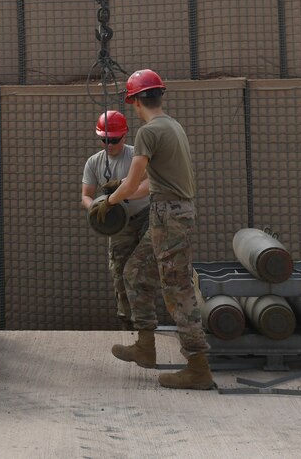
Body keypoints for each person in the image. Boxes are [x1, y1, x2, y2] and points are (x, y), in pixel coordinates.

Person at [94, 69, 214, 390]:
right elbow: (149, 185)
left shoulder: (147, 132)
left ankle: (198, 367)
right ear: (159, 95)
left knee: (177, 289)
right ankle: (146, 347)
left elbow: (135, 182)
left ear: (133, 101)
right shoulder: (173, 126)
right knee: (135, 272)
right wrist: (119, 188)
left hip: (168, 217)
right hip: (172, 212)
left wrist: (109, 201)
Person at [81, 110, 152, 330]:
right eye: (104, 140)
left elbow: (150, 185)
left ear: (124, 135)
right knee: (120, 272)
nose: (108, 144)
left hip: (145, 218)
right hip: (119, 226)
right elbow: (86, 195)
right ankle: (127, 322)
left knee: (141, 271)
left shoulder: (136, 156)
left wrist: (119, 195)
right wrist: (96, 208)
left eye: (113, 140)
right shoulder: (94, 162)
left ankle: (146, 324)